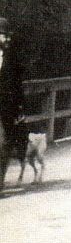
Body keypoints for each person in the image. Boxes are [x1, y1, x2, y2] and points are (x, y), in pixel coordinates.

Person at [0, 17, 26, 191]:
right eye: (3, 35)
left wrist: (20, 107)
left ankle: (0, 183)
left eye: (8, 36)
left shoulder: (13, 58)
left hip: (7, 108)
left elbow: (18, 84)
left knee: (4, 144)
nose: (7, 39)